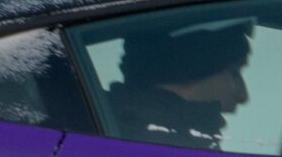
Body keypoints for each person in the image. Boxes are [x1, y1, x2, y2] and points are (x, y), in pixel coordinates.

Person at [104, 17, 255, 149]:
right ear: (190, 69)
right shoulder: (165, 151)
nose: (243, 96)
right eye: (234, 73)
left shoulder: (119, 132)